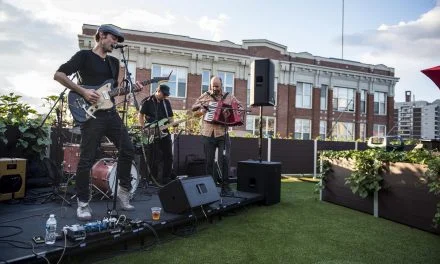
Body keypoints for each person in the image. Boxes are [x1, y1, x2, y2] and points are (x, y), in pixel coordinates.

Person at [54, 24, 138, 221]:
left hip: (110, 113)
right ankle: (83, 203)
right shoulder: (83, 56)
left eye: (117, 40)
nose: (115, 42)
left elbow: (110, 92)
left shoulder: (114, 63)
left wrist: (131, 89)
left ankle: (123, 193)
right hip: (90, 115)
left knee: (128, 149)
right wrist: (83, 91)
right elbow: (59, 75)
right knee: (86, 158)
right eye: (113, 38)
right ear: (101, 36)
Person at [192, 76, 242, 194]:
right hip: (207, 133)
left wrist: (231, 112)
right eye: (213, 86)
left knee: (224, 160)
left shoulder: (229, 96)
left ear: (221, 85)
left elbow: (240, 107)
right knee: (209, 162)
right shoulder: (205, 96)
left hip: (222, 133)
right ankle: (211, 187)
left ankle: (225, 187)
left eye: (217, 86)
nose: (215, 89)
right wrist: (201, 111)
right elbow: (193, 111)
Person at [138, 84, 176, 185]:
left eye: (166, 95)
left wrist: (174, 124)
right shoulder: (147, 101)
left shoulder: (166, 102)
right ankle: (152, 179)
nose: (165, 97)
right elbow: (140, 116)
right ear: (158, 91)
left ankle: (166, 178)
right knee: (153, 156)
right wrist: (144, 128)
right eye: (164, 94)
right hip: (151, 131)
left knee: (168, 155)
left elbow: (170, 118)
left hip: (164, 131)